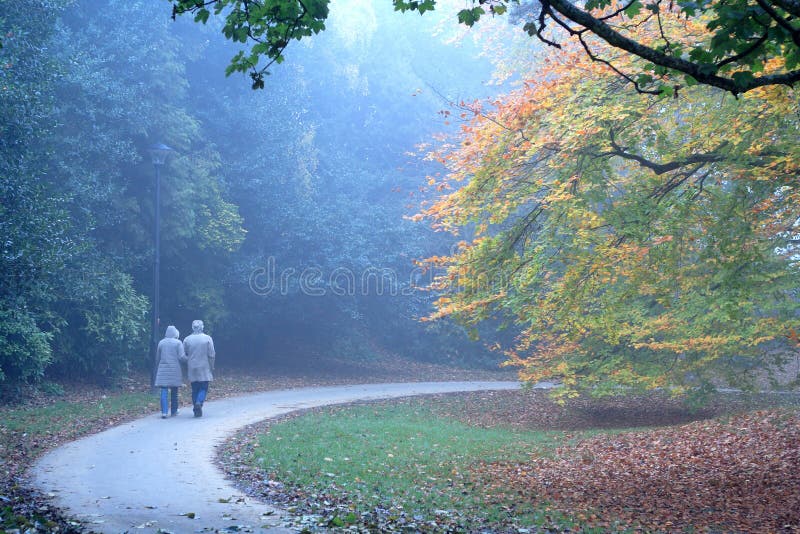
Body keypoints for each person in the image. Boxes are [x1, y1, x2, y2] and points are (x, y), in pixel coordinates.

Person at [182, 319, 215, 417]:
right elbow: (211, 354)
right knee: (204, 387)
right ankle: (199, 402)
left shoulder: (187, 339)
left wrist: (188, 361)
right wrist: (212, 366)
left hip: (192, 367)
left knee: (194, 388)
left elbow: (182, 354)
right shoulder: (207, 338)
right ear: (202, 327)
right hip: (204, 366)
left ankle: (196, 407)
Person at [154, 325, 185, 418]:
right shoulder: (178, 343)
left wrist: (158, 365)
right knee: (174, 391)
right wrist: (189, 360)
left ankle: (164, 412)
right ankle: (174, 411)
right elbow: (181, 357)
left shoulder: (161, 343)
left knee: (164, 391)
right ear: (175, 333)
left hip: (163, 370)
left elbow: (157, 358)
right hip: (174, 370)